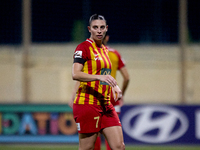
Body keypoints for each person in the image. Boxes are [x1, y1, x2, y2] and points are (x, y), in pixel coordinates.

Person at [70, 14, 125, 150]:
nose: (99, 30)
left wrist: (115, 86)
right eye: (95, 27)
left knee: (119, 146)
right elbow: (75, 74)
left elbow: (105, 75)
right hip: (87, 103)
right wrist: (98, 77)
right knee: (87, 148)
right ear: (89, 29)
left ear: (106, 29)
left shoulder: (105, 50)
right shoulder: (83, 47)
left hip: (105, 104)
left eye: (102, 27)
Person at [94, 34, 130, 150]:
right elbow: (127, 77)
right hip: (112, 97)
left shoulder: (91, 53)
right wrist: (121, 94)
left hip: (95, 96)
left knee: (94, 133)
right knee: (113, 132)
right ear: (107, 38)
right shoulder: (115, 54)